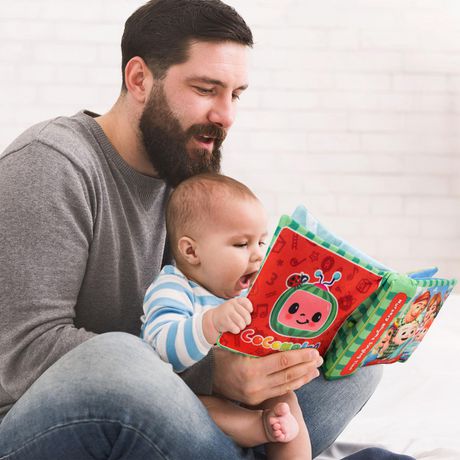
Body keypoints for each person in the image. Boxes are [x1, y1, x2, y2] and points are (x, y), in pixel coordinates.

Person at [0, 0, 383, 458]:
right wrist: (215, 372)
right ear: (139, 79)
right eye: (206, 89)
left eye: (236, 94)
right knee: (118, 358)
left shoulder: (185, 172)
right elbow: (19, 356)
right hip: (40, 425)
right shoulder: (51, 165)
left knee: (350, 364)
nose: (226, 115)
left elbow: (208, 301)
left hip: (171, 408)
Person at [142, 173, 315, 459]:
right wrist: (210, 324)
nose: (257, 255)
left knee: (285, 401)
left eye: (261, 242)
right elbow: (160, 348)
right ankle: (259, 426)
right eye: (241, 244)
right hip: (188, 398)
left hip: (248, 394)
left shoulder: (246, 294)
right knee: (200, 405)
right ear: (191, 250)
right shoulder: (174, 286)